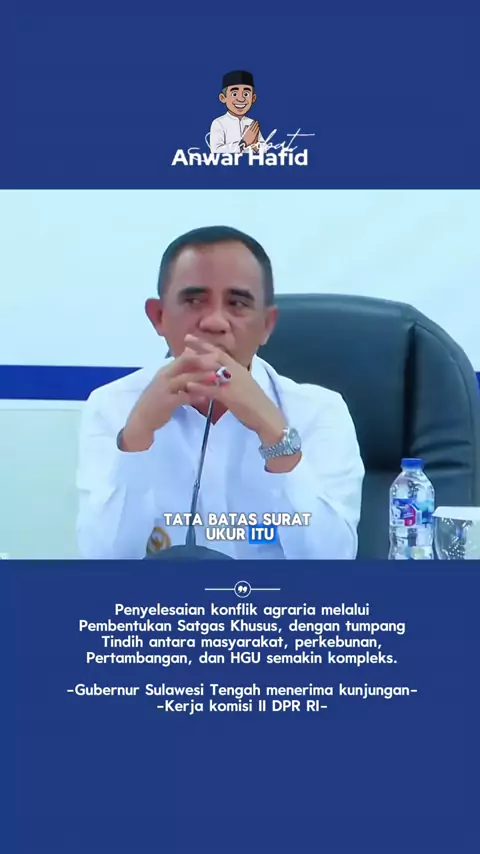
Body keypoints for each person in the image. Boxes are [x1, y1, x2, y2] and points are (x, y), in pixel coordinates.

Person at [76, 226, 365, 560]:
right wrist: (137, 436)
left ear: (267, 325)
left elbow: (332, 564)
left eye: (237, 303)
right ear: (159, 317)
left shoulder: (320, 412)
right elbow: (102, 563)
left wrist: (274, 433)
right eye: (194, 301)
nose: (214, 322)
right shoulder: (112, 406)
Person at [208, 71, 267, 154]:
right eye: (234, 94)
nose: (241, 99)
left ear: (253, 98)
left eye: (246, 94)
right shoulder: (219, 123)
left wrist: (254, 144)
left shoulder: (252, 124)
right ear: (223, 98)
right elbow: (216, 150)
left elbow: (265, 150)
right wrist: (244, 142)